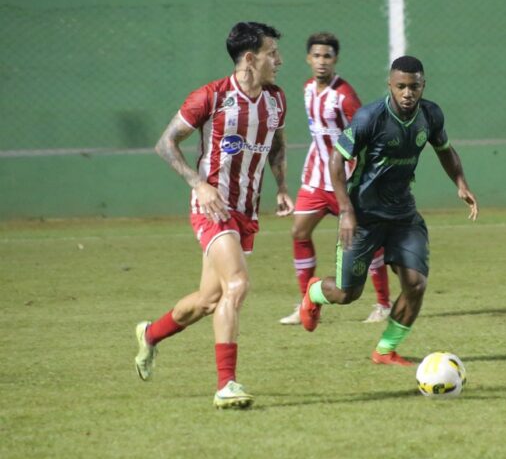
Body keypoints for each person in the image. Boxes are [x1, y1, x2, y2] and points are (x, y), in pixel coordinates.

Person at [133, 22, 294, 409]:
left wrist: (282, 187)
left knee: (208, 300)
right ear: (250, 58)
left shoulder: (276, 100)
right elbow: (165, 143)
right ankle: (227, 385)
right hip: (213, 208)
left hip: (246, 212)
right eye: (272, 53)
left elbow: (276, 144)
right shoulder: (212, 96)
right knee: (237, 285)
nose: (279, 60)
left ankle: (150, 334)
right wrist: (198, 184)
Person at [298, 55, 479, 366]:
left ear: (423, 86)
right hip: (364, 216)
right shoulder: (370, 117)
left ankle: (385, 350)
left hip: (403, 216)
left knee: (416, 284)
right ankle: (315, 292)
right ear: (390, 85)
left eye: (414, 87)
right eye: (401, 86)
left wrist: (460, 183)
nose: (408, 93)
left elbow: (444, 150)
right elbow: (337, 160)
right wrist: (346, 211)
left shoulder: (431, 115)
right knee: (346, 293)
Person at [279, 32, 392, 326]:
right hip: (316, 179)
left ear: (335, 59)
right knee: (299, 232)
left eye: (327, 56)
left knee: (367, 244)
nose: (322, 61)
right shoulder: (307, 89)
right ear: (308, 58)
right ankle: (307, 303)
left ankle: (384, 304)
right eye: (316, 56)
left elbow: (368, 132)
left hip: (347, 180)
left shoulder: (344, 96)